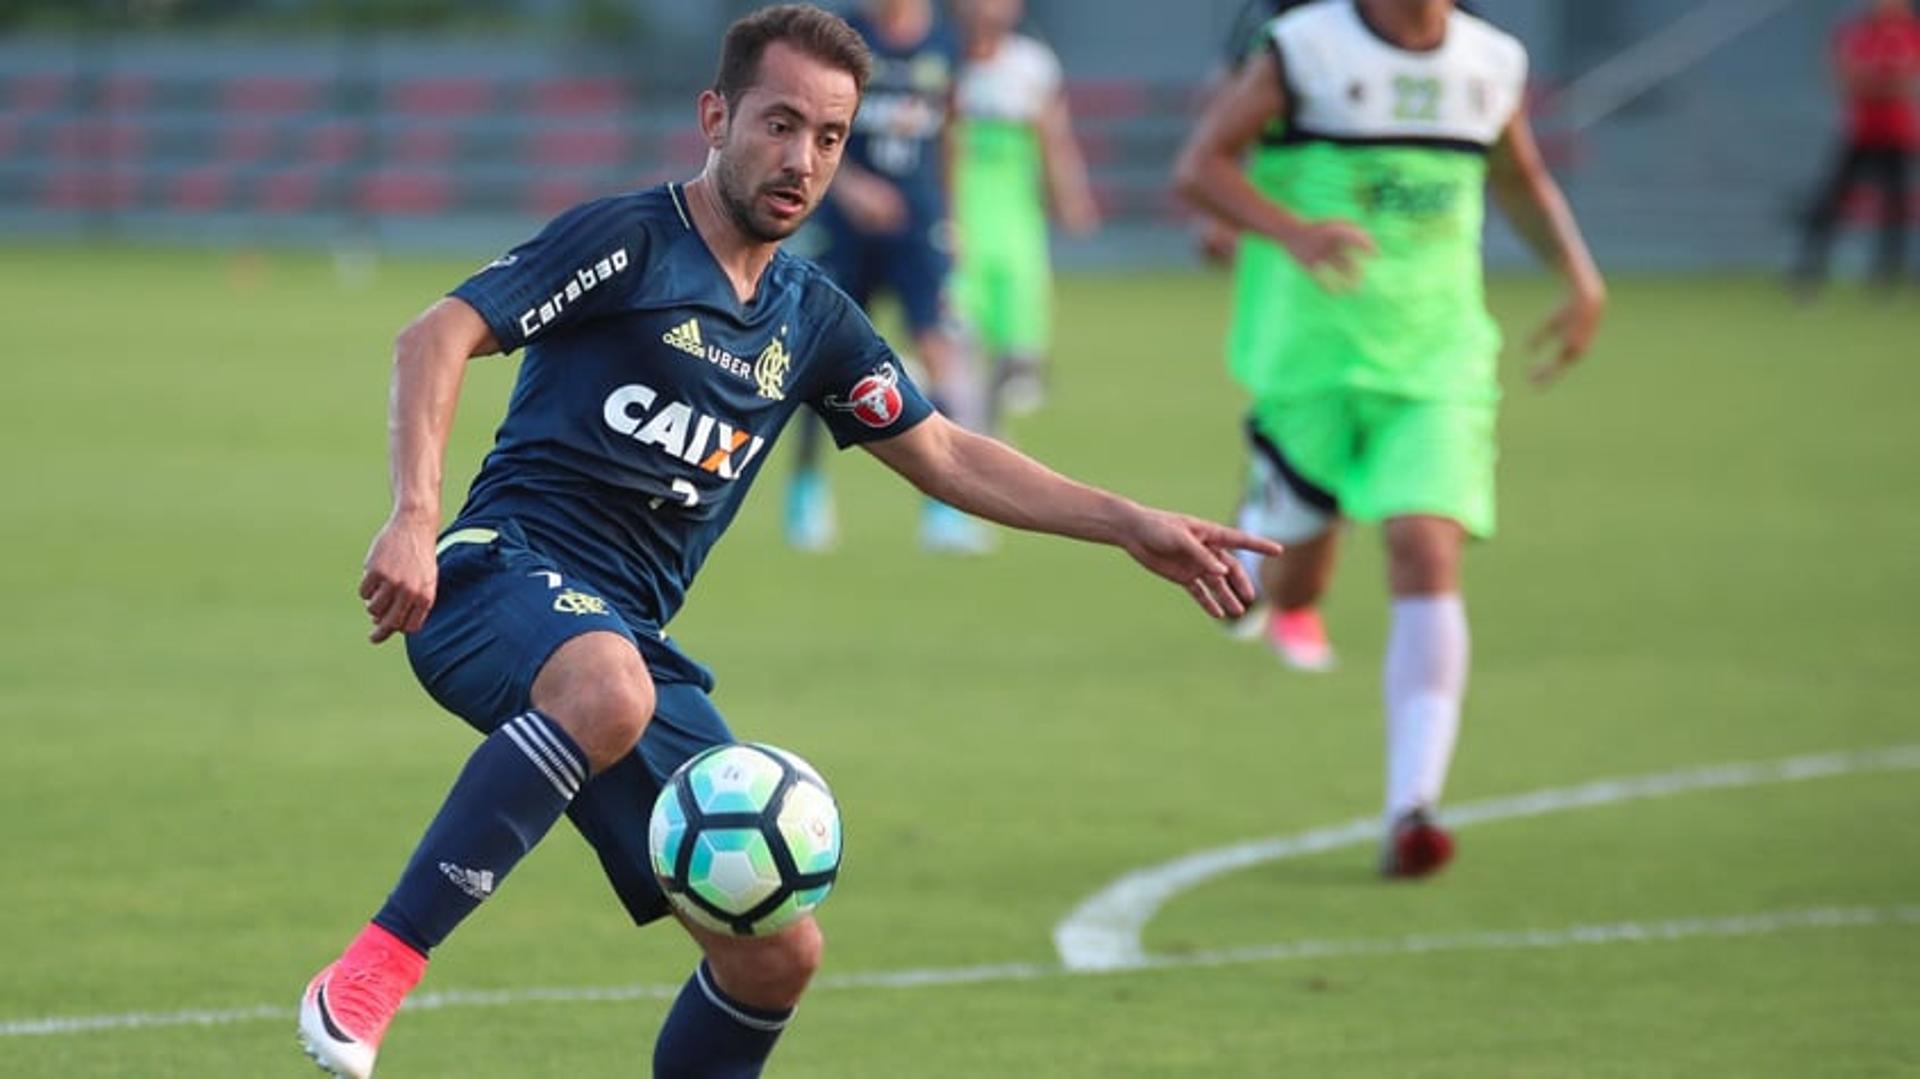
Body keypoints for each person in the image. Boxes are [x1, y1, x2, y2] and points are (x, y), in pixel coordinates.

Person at [296, 7, 1280, 1077]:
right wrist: (413, 514)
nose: (802, 160)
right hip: (491, 576)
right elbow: (435, 332)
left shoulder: (811, 316)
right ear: (715, 116)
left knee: (776, 955)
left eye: (829, 137)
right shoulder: (628, 240)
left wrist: (1131, 521)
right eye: (779, 124)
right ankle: (373, 970)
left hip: (622, 652)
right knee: (610, 687)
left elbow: (944, 452)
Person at [1174, 0, 1605, 877]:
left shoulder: (1491, 62)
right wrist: (1291, 231)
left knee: (1423, 544)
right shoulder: (1304, 51)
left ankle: (1413, 807)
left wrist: (1579, 276)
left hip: (1439, 364)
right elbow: (1200, 166)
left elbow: (1519, 177)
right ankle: (1261, 550)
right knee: (1297, 584)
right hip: (1311, 360)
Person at [781, 0, 987, 553]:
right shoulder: (844, 36)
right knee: (818, 357)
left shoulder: (943, 41)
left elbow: (949, 131)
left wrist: (953, 216)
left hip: (918, 227)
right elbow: (812, 126)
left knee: (939, 349)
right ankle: (805, 490)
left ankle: (945, 508)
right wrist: (849, 188)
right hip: (846, 228)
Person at [950, 0, 1100, 423]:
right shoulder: (944, 59)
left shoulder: (1032, 67)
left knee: (1014, 331)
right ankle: (970, 435)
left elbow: (1055, 139)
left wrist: (1071, 196)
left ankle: (990, 432)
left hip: (1015, 219)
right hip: (960, 216)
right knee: (961, 336)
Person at [1792, 0, 1920, 295]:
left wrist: (1869, 82)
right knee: (1829, 203)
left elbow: (1904, 81)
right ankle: (1810, 273)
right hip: (1860, 133)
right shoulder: (1855, 32)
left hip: (1898, 135)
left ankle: (1886, 278)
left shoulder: (1909, 33)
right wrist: (1877, 82)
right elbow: (1839, 76)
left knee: (1896, 208)